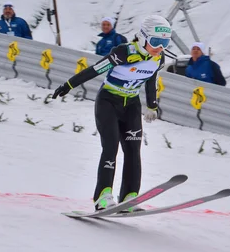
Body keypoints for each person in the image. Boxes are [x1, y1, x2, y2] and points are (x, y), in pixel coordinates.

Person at [52, 15, 171, 211]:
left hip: (131, 104)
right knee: (111, 147)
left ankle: (129, 197)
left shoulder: (158, 58)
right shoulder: (124, 52)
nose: (160, 47)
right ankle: (103, 196)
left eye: (165, 43)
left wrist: (152, 105)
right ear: (143, 37)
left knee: (133, 152)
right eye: (156, 42)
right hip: (108, 101)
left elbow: (151, 81)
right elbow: (95, 69)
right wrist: (68, 85)